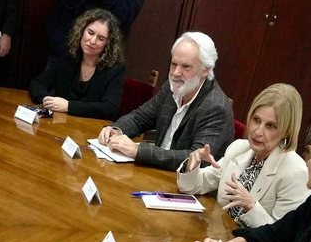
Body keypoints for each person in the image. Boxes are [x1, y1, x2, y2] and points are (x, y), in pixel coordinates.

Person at [177, 83, 309, 227]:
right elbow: (193, 186)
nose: (258, 132)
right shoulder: (238, 148)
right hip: (217, 236)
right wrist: (192, 165)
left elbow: (281, 239)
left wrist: (251, 206)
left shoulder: (296, 173)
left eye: (270, 126)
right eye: (256, 120)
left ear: (286, 131)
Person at [98, 31, 231, 171]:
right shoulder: (172, 87)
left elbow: (195, 160)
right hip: (157, 172)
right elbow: (140, 117)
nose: (175, 73)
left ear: (205, 70)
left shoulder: (216, 107)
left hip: (185, 187)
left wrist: (139, 151)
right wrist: (116, 129)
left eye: (186, 66)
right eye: (174, 64)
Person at [27, 7, 126, 120]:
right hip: (61, 124)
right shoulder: (68, 57)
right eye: (90, 33)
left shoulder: (115, 70)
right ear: (81, 31)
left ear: (107, 44)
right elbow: (37, 83)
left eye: (101, 38)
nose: (92, 41)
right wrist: (48, 101)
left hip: (91, 129)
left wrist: (68, 106)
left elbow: (109, 109)